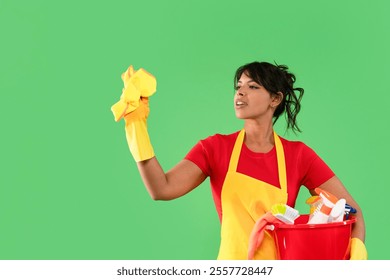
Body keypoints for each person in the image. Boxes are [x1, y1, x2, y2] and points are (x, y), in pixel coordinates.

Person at [111, 61, 367, 260]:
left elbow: (352, 214)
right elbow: (161, 188)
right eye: (238, 86)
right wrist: (137, 127)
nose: (240, 92)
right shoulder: (214, 148)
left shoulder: (299, 156)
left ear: (275, 99)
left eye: (253, 86)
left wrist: (352, 261)